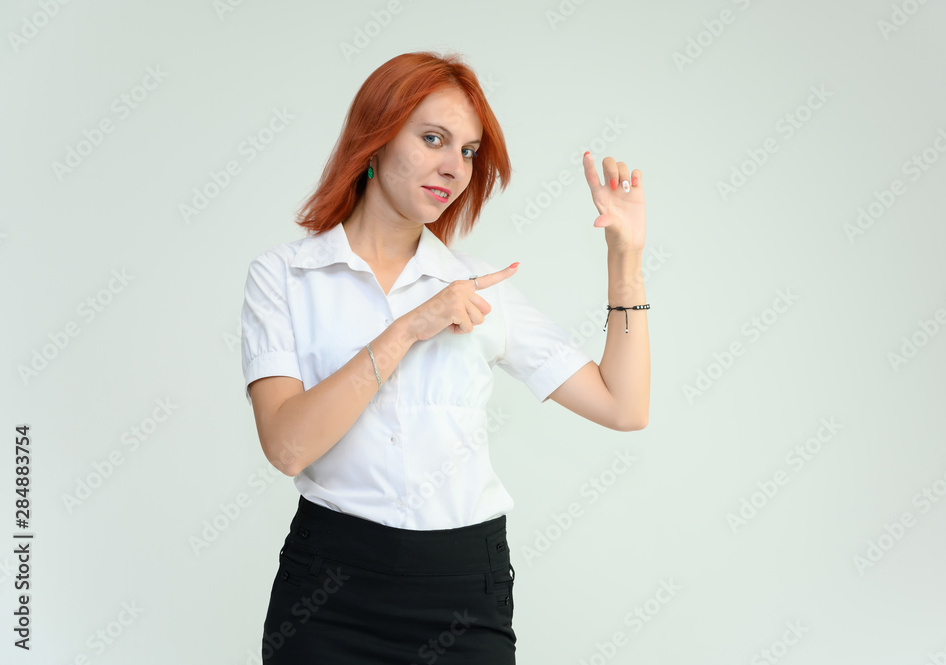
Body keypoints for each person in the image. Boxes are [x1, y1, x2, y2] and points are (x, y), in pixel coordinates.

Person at [240, 51, 649, 665]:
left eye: (466, 151)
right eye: (433, 138)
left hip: (463, 589)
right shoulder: (285, 277)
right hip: (329, 589)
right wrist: (409, 328)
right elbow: (287, 447)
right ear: (373, 140)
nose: (453, 167)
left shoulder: (481, 285)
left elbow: (624, 406)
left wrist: (626, 258)